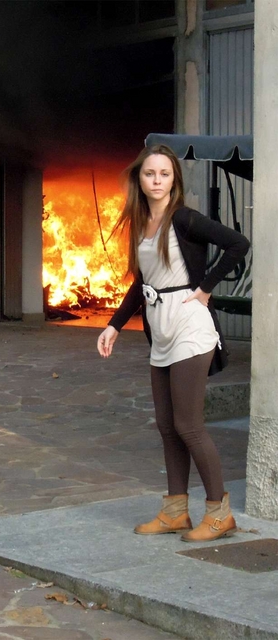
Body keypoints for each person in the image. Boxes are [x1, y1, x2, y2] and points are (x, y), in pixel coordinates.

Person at [97, 145, 250, 542]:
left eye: (165, 174)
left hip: (190, 327)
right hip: (160, 330)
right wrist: (114, 325)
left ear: (174, 180)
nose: (157, 180)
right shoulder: (140, 222)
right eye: (150, 173)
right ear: (139, 178)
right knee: (167, 426)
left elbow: (238, 243)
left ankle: (219, 514)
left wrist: (206, 288)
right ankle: (175, 512)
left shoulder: (183, 218)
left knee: (188, 425)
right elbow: (142, 283)